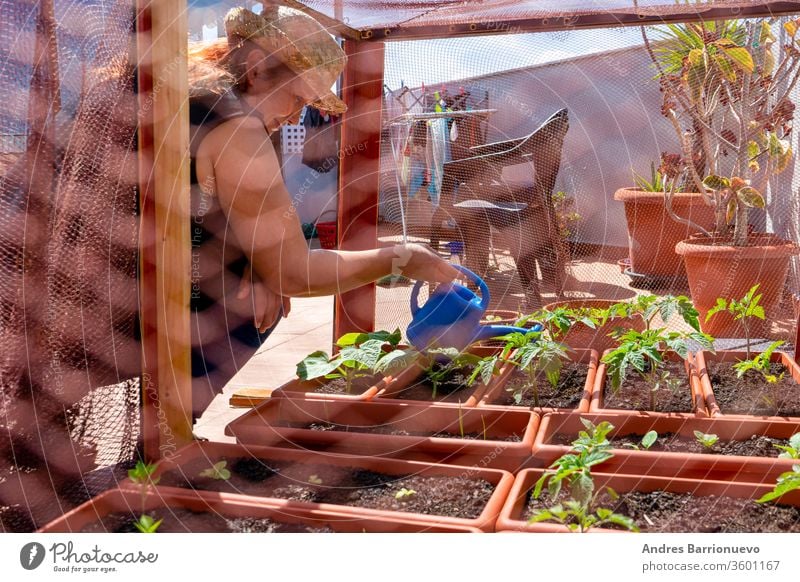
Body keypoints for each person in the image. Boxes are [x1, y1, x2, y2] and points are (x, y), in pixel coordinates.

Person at [187, 6, 458, 418]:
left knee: (266, 286)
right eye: (298, 98)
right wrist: (401, 259)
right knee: (262, 305)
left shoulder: (200, 96)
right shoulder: (238, 128)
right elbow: (295, 272)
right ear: (257, 68)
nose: (297, 116)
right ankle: (173, 423)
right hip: (160, 306)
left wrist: (261, 265)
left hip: (133, 285)